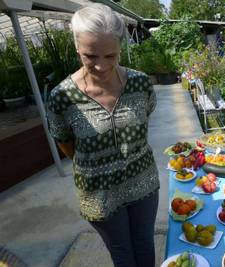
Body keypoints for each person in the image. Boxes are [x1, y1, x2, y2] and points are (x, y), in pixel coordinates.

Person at [46, 4, 159, 267]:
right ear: (77, 47)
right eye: (90, 55)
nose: (101, 65)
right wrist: (97, 163)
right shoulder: (62, 97)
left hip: (143, 182)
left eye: (110, 55)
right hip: (99, 194)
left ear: (120, 47)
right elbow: (63, 140)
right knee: (122, 253)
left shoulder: (140, 84)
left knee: (144, 244)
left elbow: (144, 118)